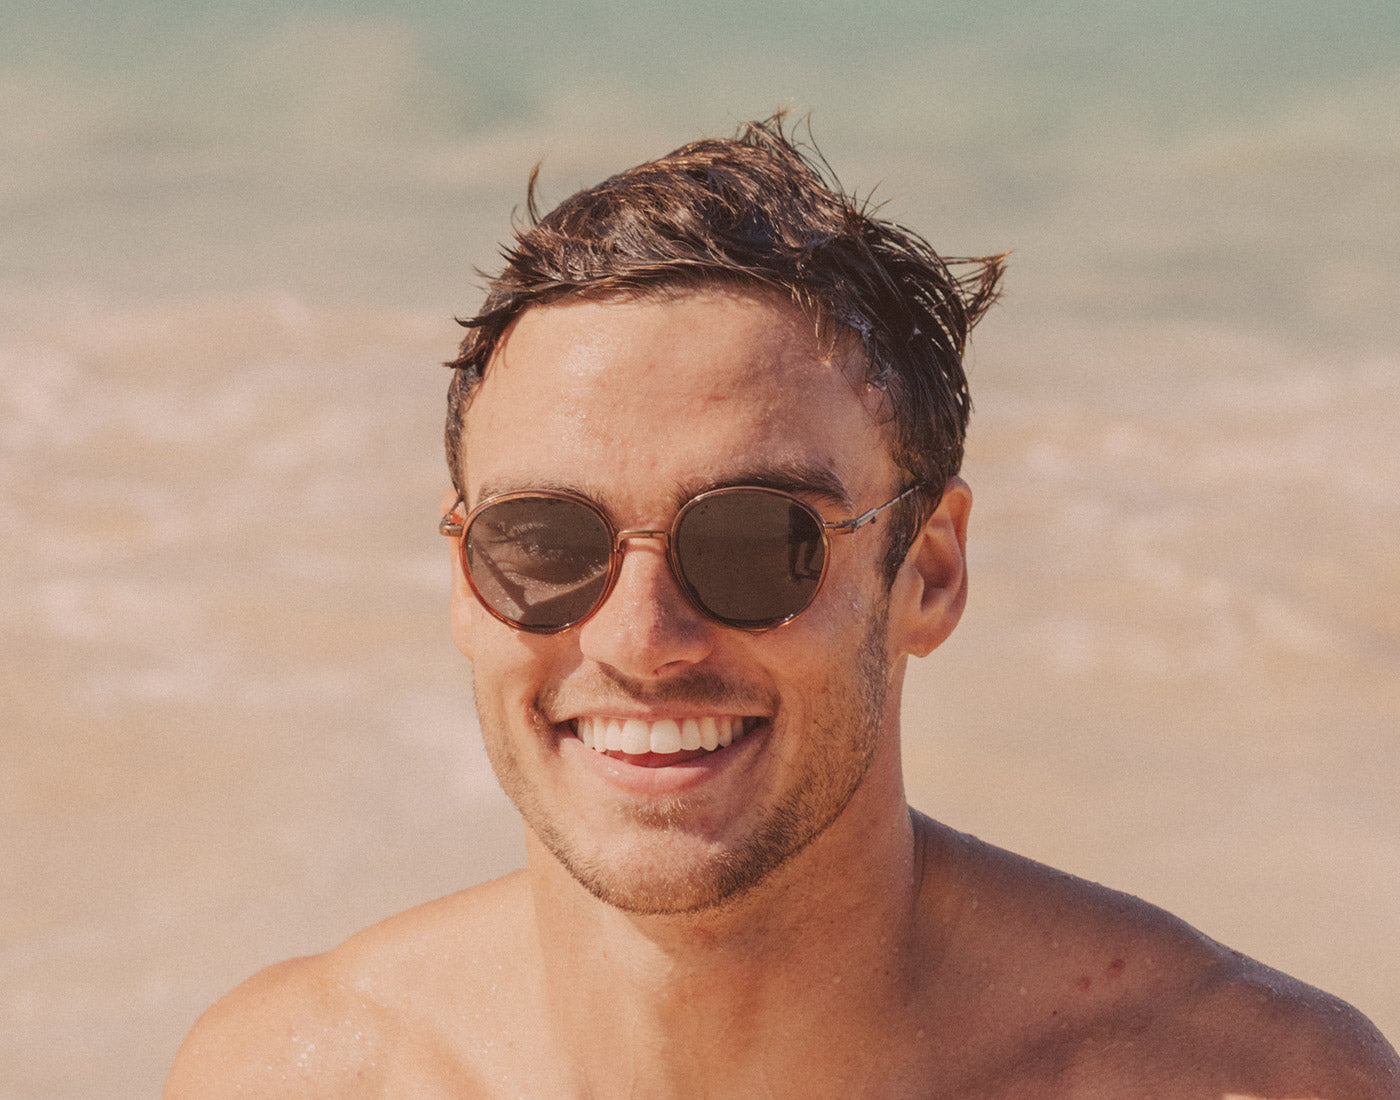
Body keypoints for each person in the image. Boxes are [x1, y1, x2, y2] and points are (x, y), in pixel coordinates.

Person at [165, 117, 1400, 1097]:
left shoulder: (1243, 1079)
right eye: (544, 543)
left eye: (754, 541)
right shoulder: (295, 1075)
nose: (638, 637)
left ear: (927, 571)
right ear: (462, 578)